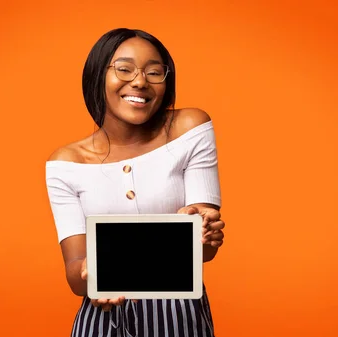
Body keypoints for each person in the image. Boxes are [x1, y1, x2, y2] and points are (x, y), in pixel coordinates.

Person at [45, 28, 226, 337]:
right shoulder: (66, 163)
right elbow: (76, 277)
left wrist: (203, 231)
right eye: (124, 69)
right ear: (97, 76)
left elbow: (202, 252)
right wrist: (88, 272)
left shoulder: (190, 127)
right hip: (102, 319)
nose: (140, 81)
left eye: (154, 72)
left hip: (179, 317)